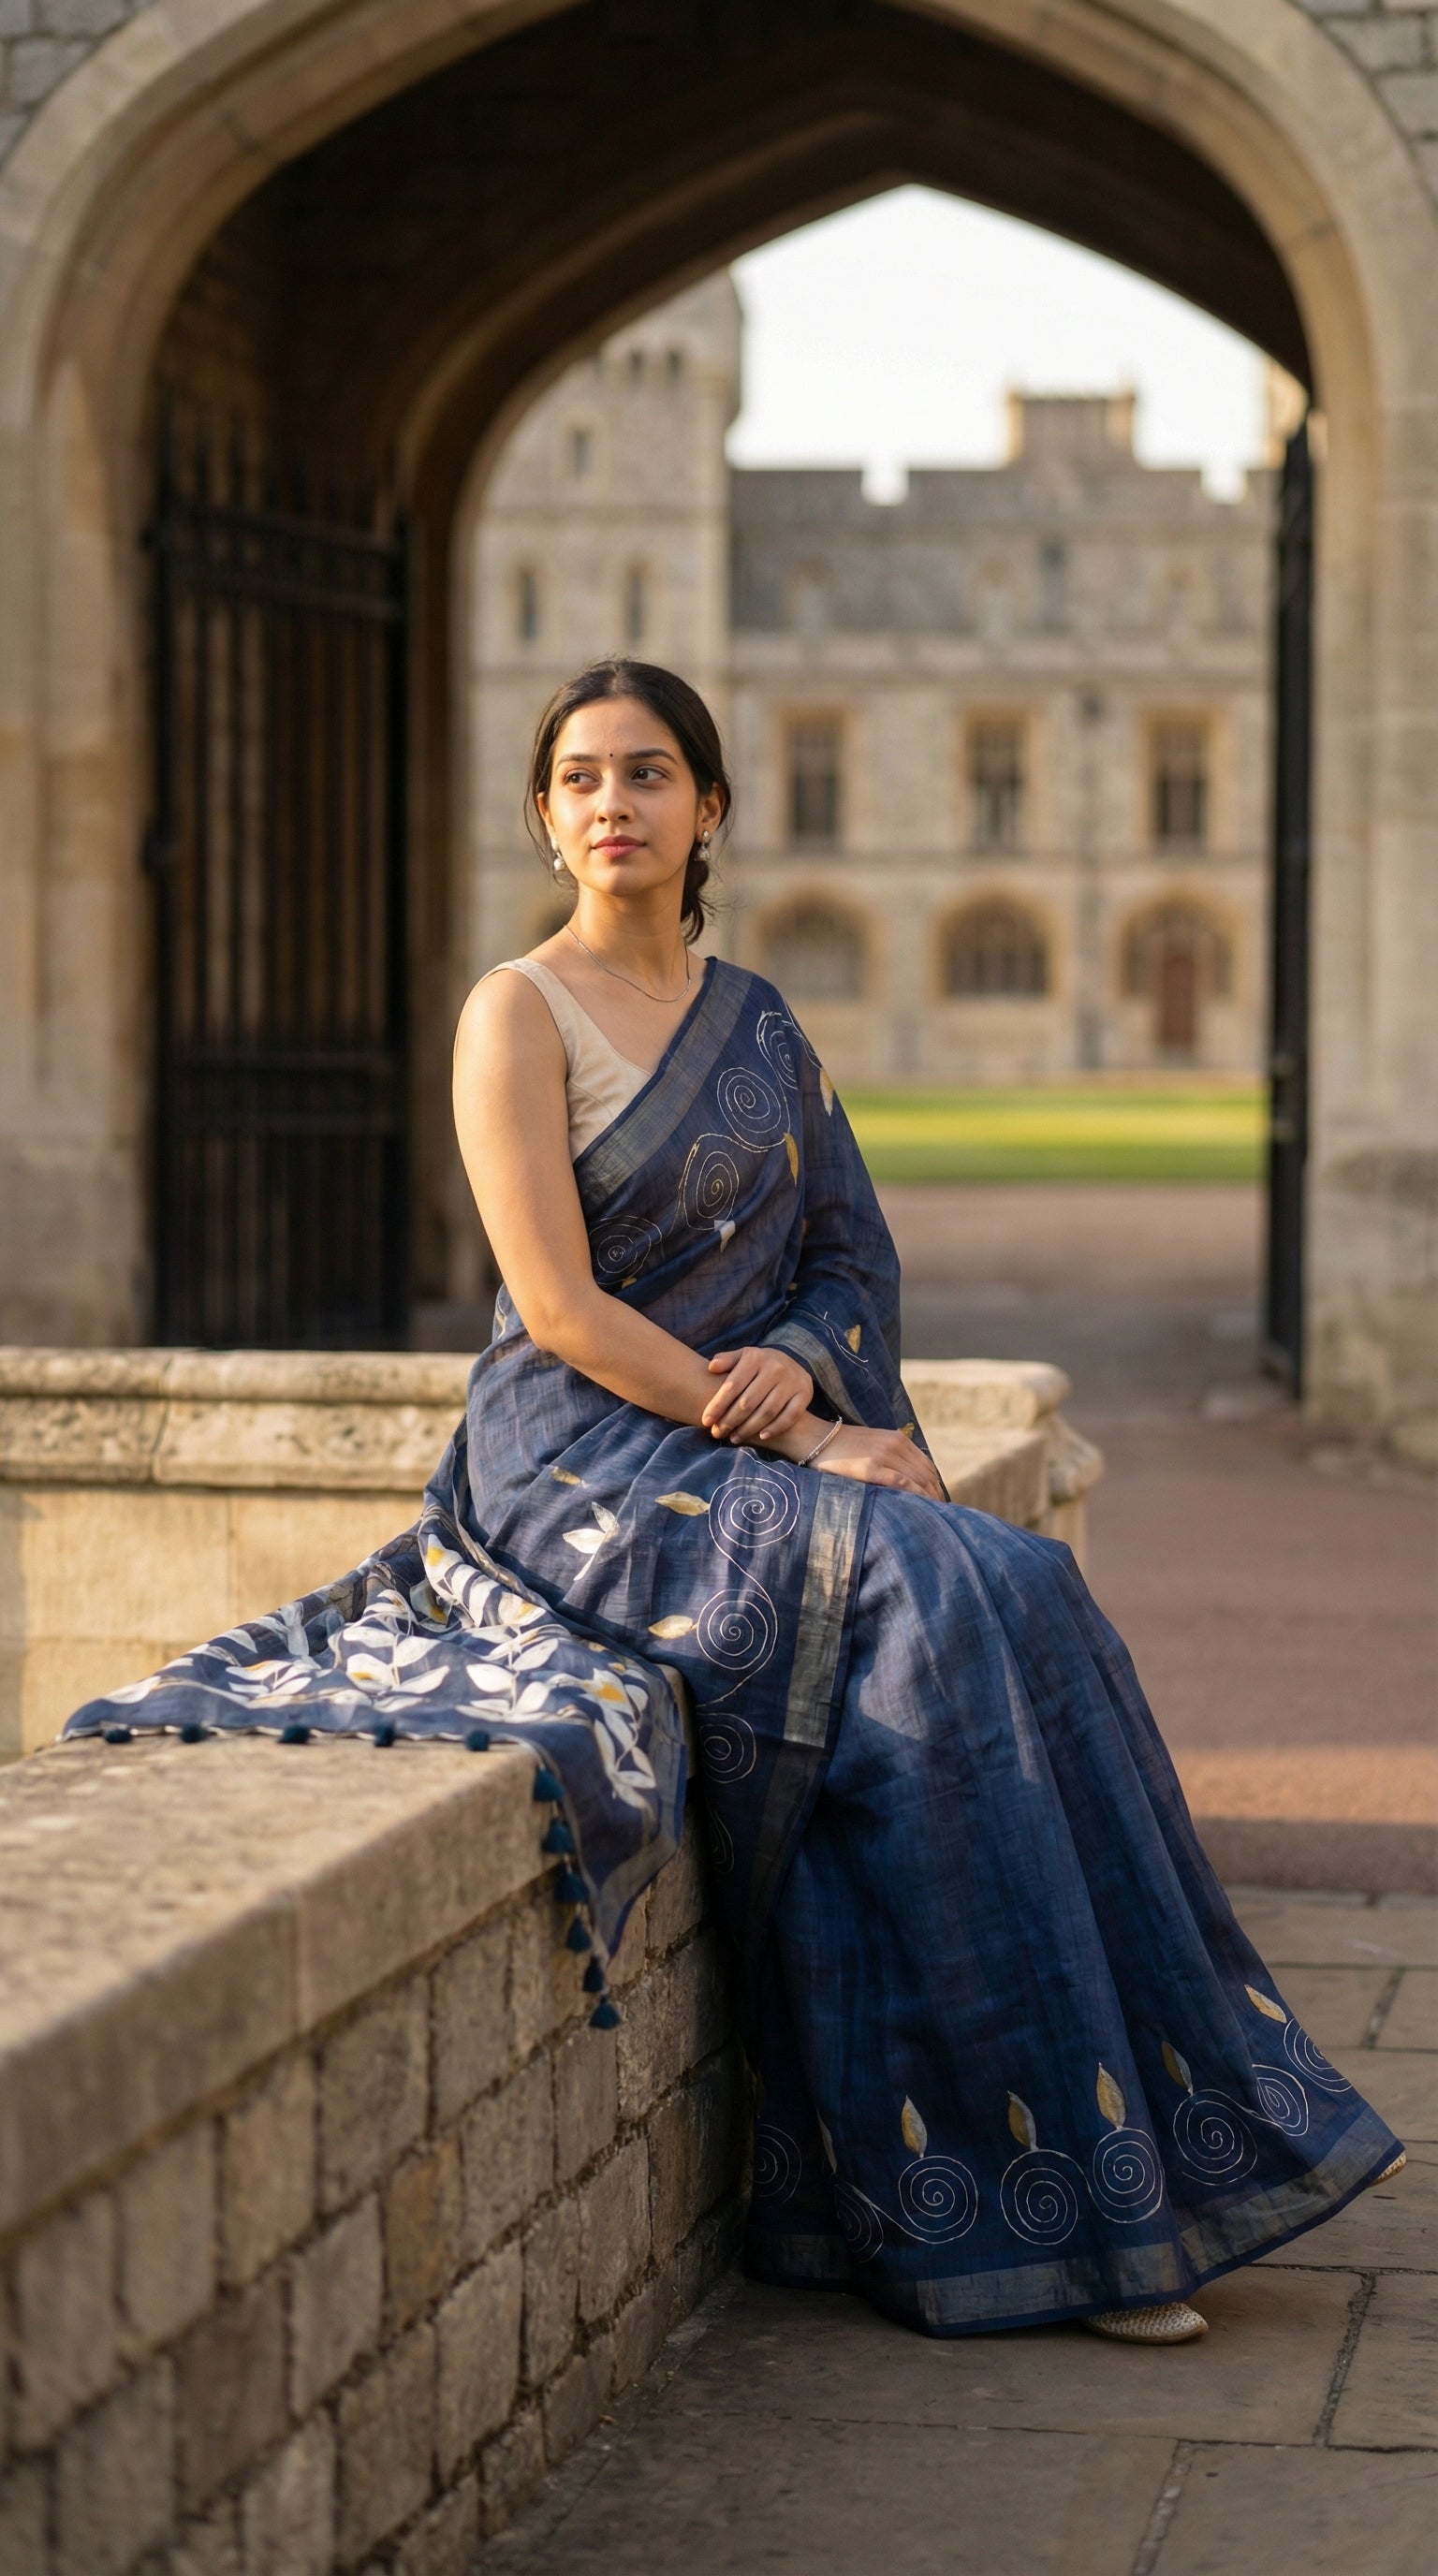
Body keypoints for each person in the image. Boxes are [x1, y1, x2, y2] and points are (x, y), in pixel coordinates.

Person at [66, 654, 1401, 2344]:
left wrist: (806, 1371)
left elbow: (851, 1255)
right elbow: (553, 1308)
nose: (610, 804)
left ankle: (1152, 2151)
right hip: (577, 1466)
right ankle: (1012, 2206)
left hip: (734, 1431)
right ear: (546, 818)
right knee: (920, 1608)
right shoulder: (514, 1012)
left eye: (644, 773)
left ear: (709, 805)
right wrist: (786, 1425)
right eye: (576, 778)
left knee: (1026, 1589)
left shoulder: (759, 1019)